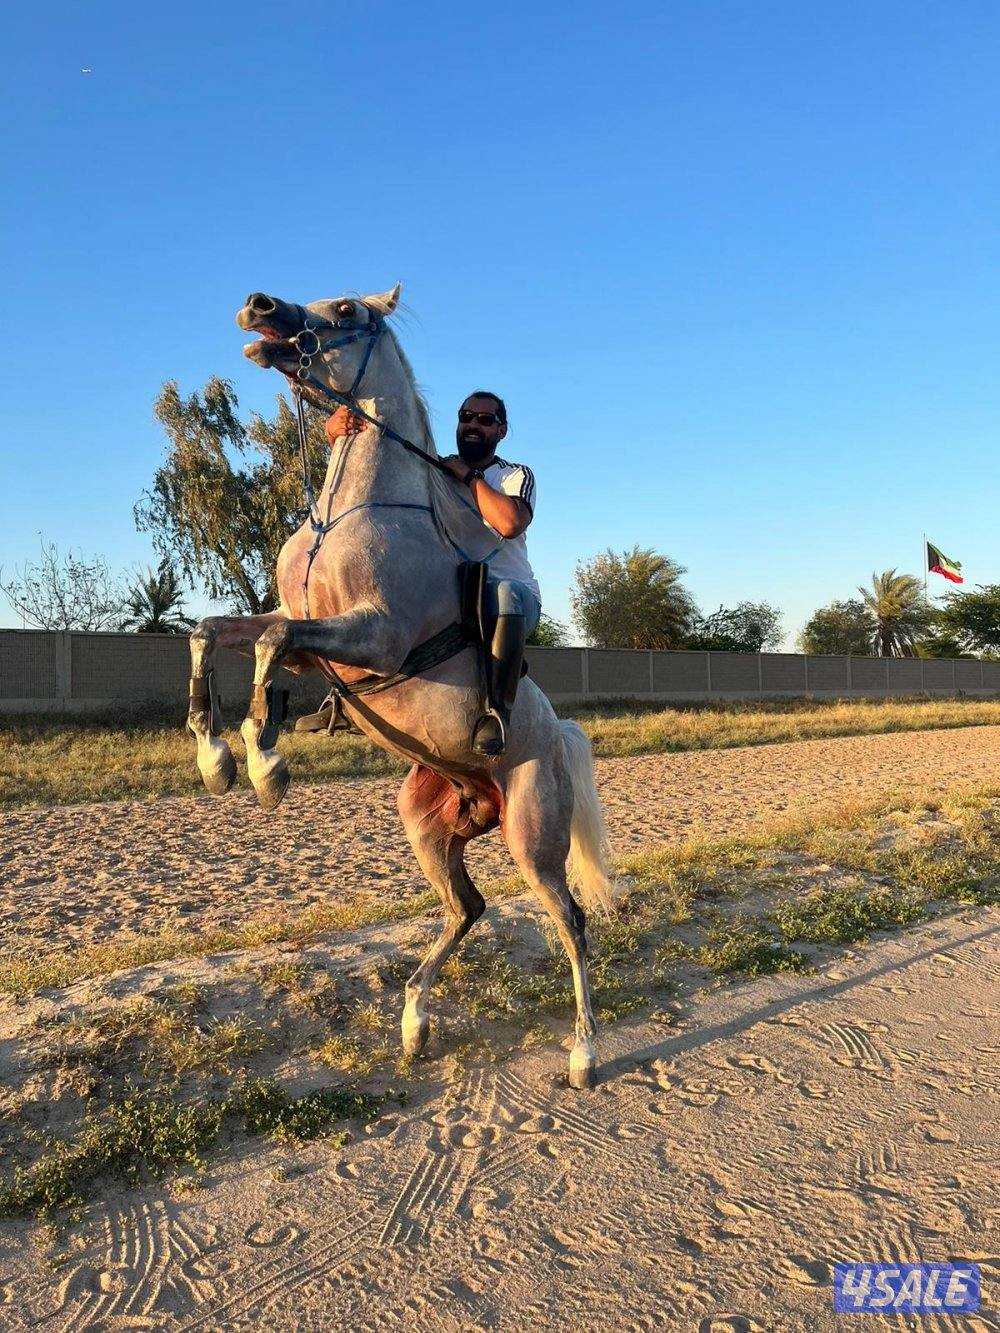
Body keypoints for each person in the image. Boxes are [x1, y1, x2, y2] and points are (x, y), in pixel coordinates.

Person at [325, 390, 540, 755]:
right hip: (453, 592)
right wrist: (336, 436)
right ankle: (344, 701)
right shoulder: (433, 473)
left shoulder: (515, 475)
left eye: (485, 420)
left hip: (512, 596)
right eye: (466, 416)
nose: (473, 424)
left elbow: (509, 523)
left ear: (502, 431)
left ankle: (497, 713)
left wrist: (471, 478)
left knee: (504, 594)